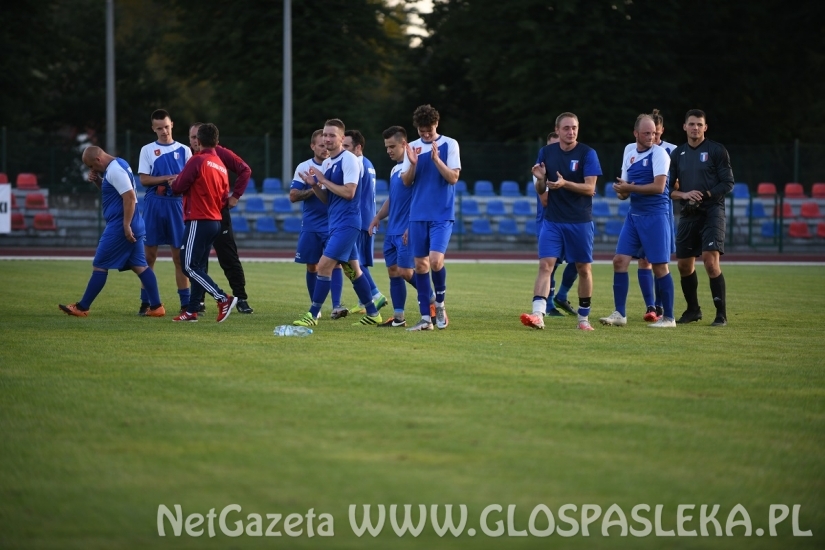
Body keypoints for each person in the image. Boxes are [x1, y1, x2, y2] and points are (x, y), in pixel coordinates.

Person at [291, 118, 382, 328]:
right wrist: (315, 186)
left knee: (323, 266)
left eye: (332, 135)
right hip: (336, 223)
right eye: (325, 134)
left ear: (342, 138)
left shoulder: (349, 159)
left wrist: (322, 180)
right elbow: (327, 199)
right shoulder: (329, 162)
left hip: (348, 224)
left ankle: (312, 315)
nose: (327, 138)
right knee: (353, 271)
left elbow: (349, 193)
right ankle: (372, 312)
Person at [60, 146, 165, 317]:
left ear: (98, 160)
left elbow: (130, 198)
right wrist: (97, 180)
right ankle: (156, 307)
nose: (91, 170)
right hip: (134, 223)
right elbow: (113, 192)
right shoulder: (118, 164)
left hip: (120, 225)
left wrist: (125, 225)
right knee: (140, 266)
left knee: (99, 265)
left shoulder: (115, 170)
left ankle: (82, 307)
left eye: (91, 166)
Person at [520, 112, 602, 331]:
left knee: (583, 268)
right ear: (557, 130)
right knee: (545, 265)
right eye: (566, 128)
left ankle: (584, 319)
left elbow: (590, 188)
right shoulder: (546, 152)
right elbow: (541, 190)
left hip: (580, 221)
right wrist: (540, 179)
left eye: (574, 127)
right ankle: (538, 314)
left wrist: (565, 183)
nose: (571, 132)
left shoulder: (587, 153)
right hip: (553, 220)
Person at [599, 114, 676, 328]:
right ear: (636, 134)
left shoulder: (660, 154)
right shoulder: (629, 151)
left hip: (656, 215)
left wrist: (629, 189)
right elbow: (624, 190)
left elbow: (659, 187)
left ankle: (669, 317)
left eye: (653, 133)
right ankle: (620, 314)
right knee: (619, 261)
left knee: (660, 267)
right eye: (646, 133)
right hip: (635, 215)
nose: (651, 136)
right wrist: (621, 192)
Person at [669, 109, 734, 326]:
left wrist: (705, 194)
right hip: (689, 213)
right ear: (684, 127)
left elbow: (728, 183)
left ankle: (721, 315)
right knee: (684, 265)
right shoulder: (677, 154)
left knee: (710, 261)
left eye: (699, 124)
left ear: (705, 127)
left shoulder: (717, 150)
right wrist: (685, 194)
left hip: (712, 211)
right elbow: (669, 190)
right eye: (692, 124)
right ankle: (693, 310)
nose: (695, 128)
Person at [169, 123, 237, 322]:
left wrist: (174, 183)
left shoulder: (197, 160)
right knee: (198, 265)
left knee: (188, 266)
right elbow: (224, 195)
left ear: (198, 141)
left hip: (199, 218)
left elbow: (179, 186)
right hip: (215, 220)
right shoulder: (220, 165)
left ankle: (222, 298)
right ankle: (192, 310)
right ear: (216, 141)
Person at [404, 104, 462, 331]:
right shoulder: (412, 147)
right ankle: (425, 319)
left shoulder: (450, 144)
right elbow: (407, 182)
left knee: (436, 261)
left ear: (436, 124)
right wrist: (413, 164)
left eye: (429, 129)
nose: (426, 134)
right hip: (418, 214)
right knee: (419, 266)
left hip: (441, 213)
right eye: (421, 131)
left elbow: (453, 178)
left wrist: (437, 160)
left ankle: (440, 305)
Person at [188, 123, 254, 314]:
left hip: (218, 213)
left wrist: (235, 196)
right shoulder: (187, 155)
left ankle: (241, 298)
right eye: (191, 137)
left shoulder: (220, 153)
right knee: (198, 260)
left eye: (196, 137)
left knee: (228, 256)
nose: (194, 141)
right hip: (197, 215)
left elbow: (245, 169)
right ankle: (198, 301)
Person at [138, 109, 192, 315]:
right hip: (154, 204)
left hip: (176, 204)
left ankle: (186, 304)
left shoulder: (185, 150)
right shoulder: (147, 150)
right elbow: (144, 179)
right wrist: (169, 178)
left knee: (179, 257)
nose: (163, 131)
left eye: (166, 127)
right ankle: (148, 303)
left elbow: (190, 179)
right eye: (159, 128)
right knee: (149, 256)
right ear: (153, 129)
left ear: (172, 125)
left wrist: (178, 182)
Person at [289, 129, 345, 318]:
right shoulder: (304, 166)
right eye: (321, 145)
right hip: (312, 225)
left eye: (327, 144)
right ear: (313, 146)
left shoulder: (336, 165)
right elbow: (293, 196)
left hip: (334, 223)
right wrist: (315, 186)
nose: (325, 148)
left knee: (335, 264)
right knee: (312, 265)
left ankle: (337, 306)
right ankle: (316, 307)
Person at [368, 125, 418, 327]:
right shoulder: (395, 168)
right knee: (393, 272)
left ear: (404, 144)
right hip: (392, 229)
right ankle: (398, 318)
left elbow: (418, 198)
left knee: (406, 272)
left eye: (392, 146)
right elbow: (393, 198)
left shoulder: (413, 165)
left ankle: (434, 301)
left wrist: (411, 226)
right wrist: (378, 216)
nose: (388, 150)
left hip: (406, 229)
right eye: (386, 147)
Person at [341, 129, 387, 314]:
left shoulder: (356, 164)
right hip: (368, 217)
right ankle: (363, 300)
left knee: (354, 262)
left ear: (358, 147)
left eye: (346, 146)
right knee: (360, 262)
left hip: (359, 220)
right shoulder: (368, 163)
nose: (343, 150)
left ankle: (375, 295)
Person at [534, 131, 579, 318]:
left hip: (570, 219)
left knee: (579, 260)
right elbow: (545, 201)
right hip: (548, 221)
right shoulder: (541, 170)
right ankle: (549, 304)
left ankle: (562, 295)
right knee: (549, 264)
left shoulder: (571, 165)